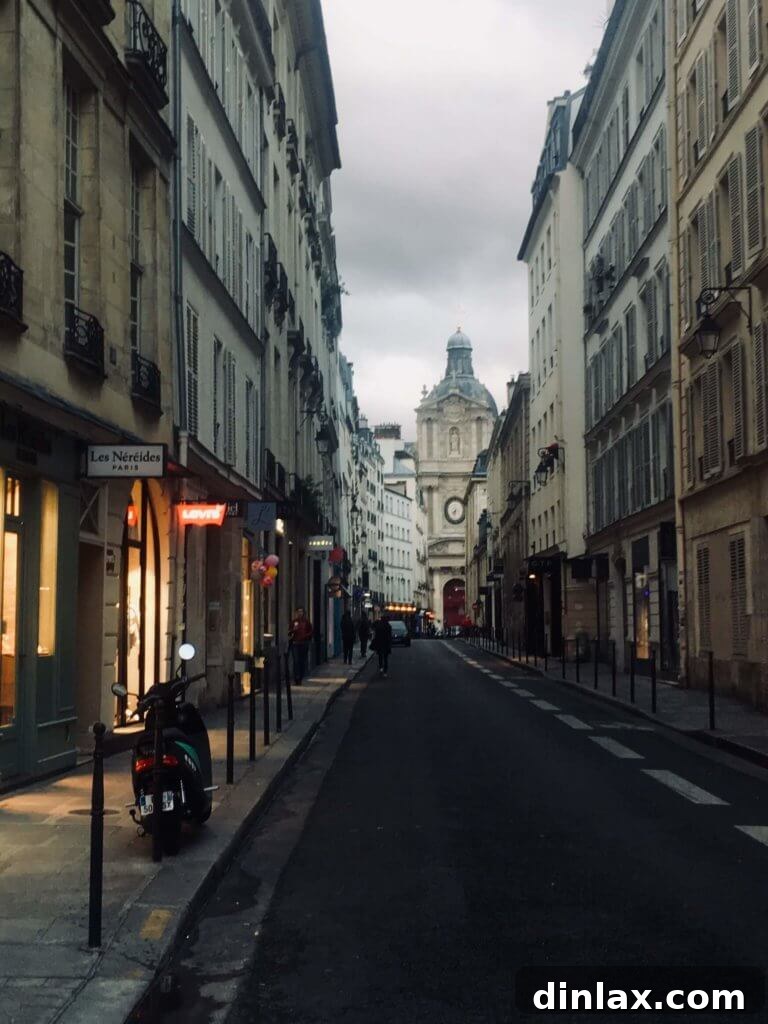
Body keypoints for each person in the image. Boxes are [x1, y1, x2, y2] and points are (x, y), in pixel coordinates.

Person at [289, 608, 313, 684]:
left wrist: (306, 636)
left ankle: (300, 677)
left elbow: (311, 632)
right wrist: (293, 630)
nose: (300, 613)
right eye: (298, 612)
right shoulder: (294, 622)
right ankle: (296, 678)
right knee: (296, 661)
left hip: (304, 643)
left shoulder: (306, 622)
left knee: (302, 661)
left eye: (301, 612)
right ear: (296, 613)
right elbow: (289, 632)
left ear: (303, 613)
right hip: (295, 643)